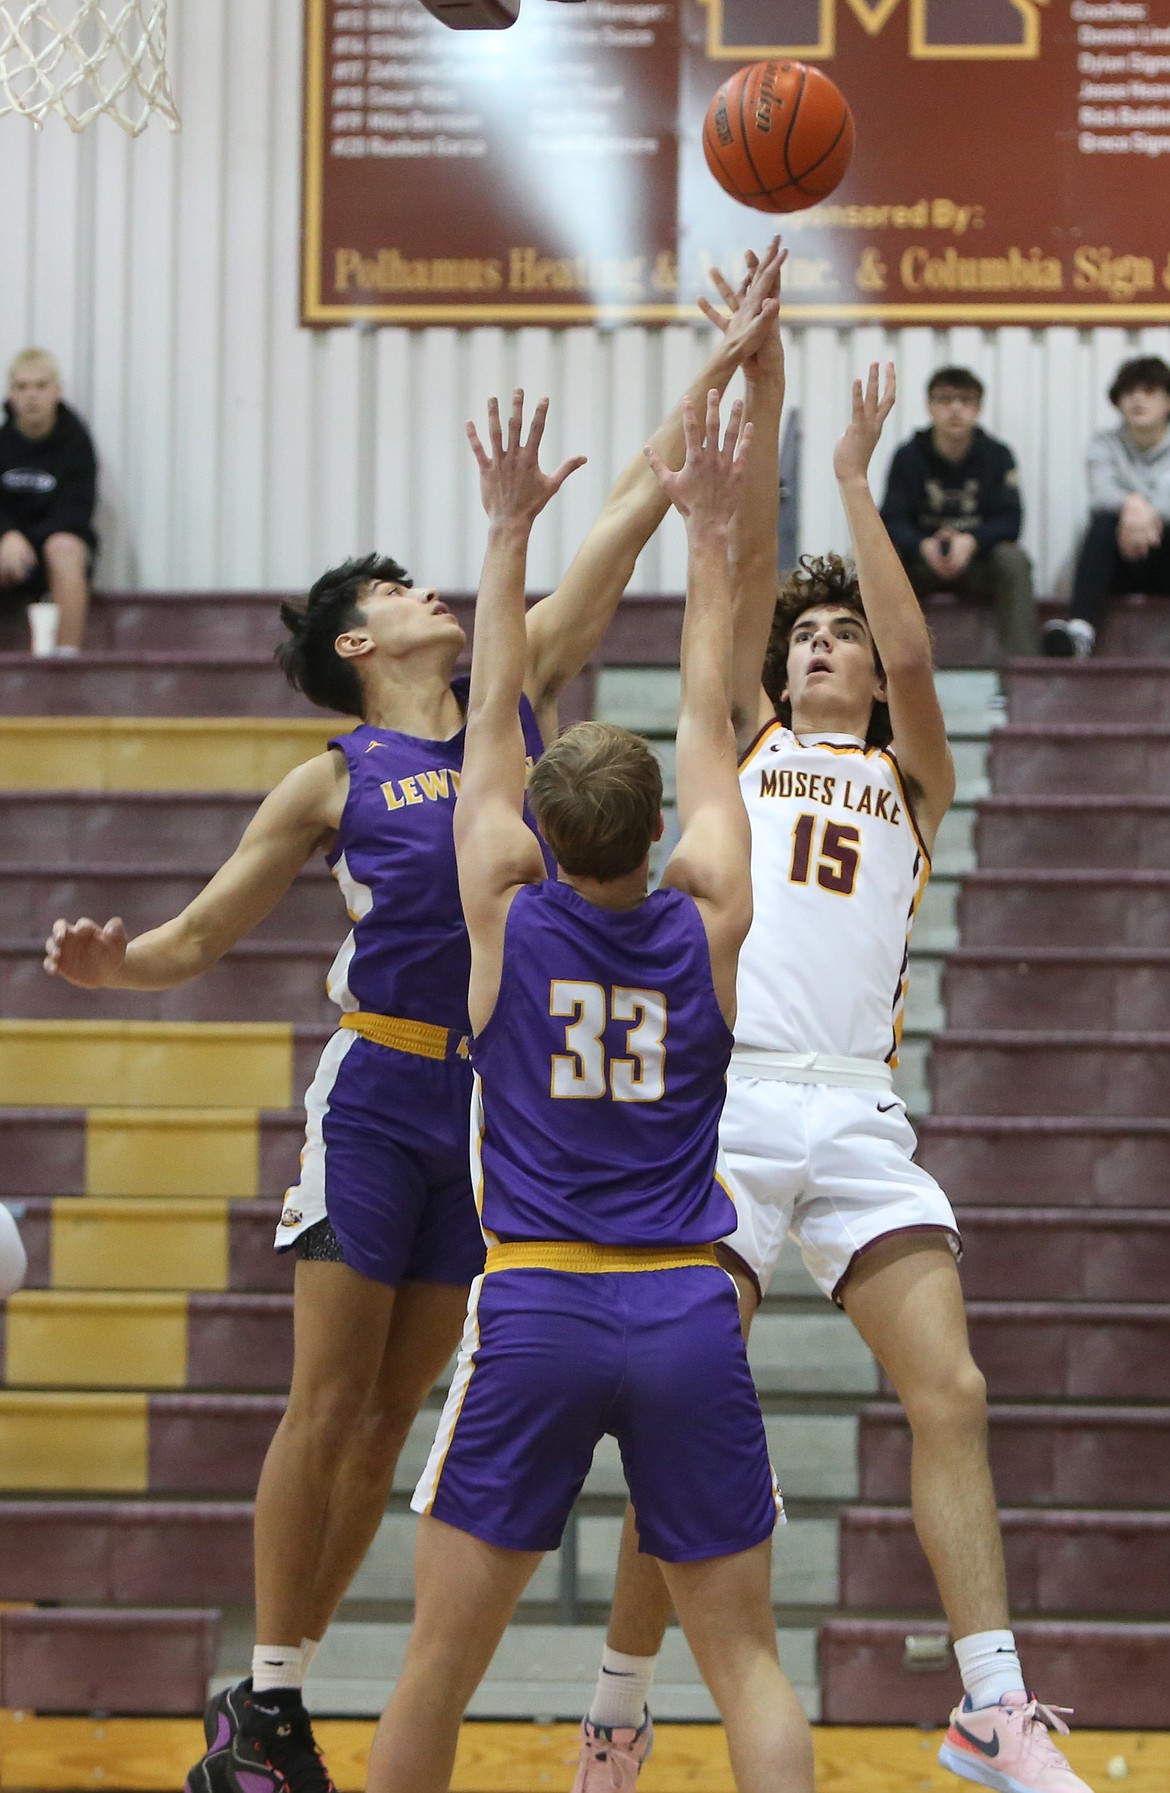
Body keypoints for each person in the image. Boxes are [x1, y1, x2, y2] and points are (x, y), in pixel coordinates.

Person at [42, 250, 783, 1793]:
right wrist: (122, 968)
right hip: (382, 1092)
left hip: (496, 1111)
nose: (428, 588)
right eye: (390, 589)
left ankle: (293, 1690)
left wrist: (719, 371)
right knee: (328, 1396)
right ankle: (263, 1692)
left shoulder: (523, 705)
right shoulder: (331, 777)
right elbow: (203, 929)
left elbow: (638, 501)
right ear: (358, 647)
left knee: (393, 1419)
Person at [575, 279, 1093, 1793]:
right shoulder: (741, 749)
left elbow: (922, 663)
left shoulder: (908, 776)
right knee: (684, 1423)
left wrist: (860, 485)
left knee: (956, 1394)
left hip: (856, 1114)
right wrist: (766, 370)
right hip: (726, 1116)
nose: (816, 648)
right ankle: (616, 1705)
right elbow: (728, 555)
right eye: (802, 637)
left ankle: (988, 1708)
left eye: (837, 639)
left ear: (866, 671)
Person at [365, 381, 814, 1793]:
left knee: (436, 1663)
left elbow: (490, 705)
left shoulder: (502, 910)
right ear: (653, 837)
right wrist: (718, 536)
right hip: (685, 1300)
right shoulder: (710, 914)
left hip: (543, 1299)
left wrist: (506, 531)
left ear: (540, 834)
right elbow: (705, 698)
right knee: (745, 1664)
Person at [880, 365, 1037, 658]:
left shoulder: (997, 454)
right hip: (921, 564)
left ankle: (1023, 670)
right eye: (945, 400)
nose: (955, 409)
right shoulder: (908, 455)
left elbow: (1010, 521)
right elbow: (889, 519)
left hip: (975, 565)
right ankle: (875, 664)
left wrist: (972, 540)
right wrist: (921, 545)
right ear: (930, 406)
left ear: (978, 408)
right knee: (876, 561)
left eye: (965, 401)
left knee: (1013, 560)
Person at [1043, 355, 1170, 659]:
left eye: (1149, 391)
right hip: (1121, 561)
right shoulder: (1104, 443)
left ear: (1168, 402)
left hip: (1163, 557)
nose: (1138, 399)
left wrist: (1144, 512)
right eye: (1129, 392)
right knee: (1102, 524)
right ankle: (1081, 633)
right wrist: (1132, 503)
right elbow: (1102, 493)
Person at [0, 347, 98, 653]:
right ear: (11, 394)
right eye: (22, 387)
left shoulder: (77, 442)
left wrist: (31, 542)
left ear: (57, 391)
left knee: (64, 549)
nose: (31, 396)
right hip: (11, 552)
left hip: (55, 548)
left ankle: (66, 659)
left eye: (40, 386)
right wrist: (7, 535)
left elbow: (77, 509)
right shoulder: (2, 442)